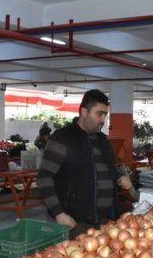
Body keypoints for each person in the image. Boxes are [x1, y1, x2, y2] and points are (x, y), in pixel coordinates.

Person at [38, 89, 133, 238]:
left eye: (105, 115)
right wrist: (58, 213)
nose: (103, 120)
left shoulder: (103, 140)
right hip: (75, 222)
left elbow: (110, 169)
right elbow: (44, 177)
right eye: (99, 114)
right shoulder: (63, 138)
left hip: (106, 221)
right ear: (84, 111)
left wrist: (120, 176)